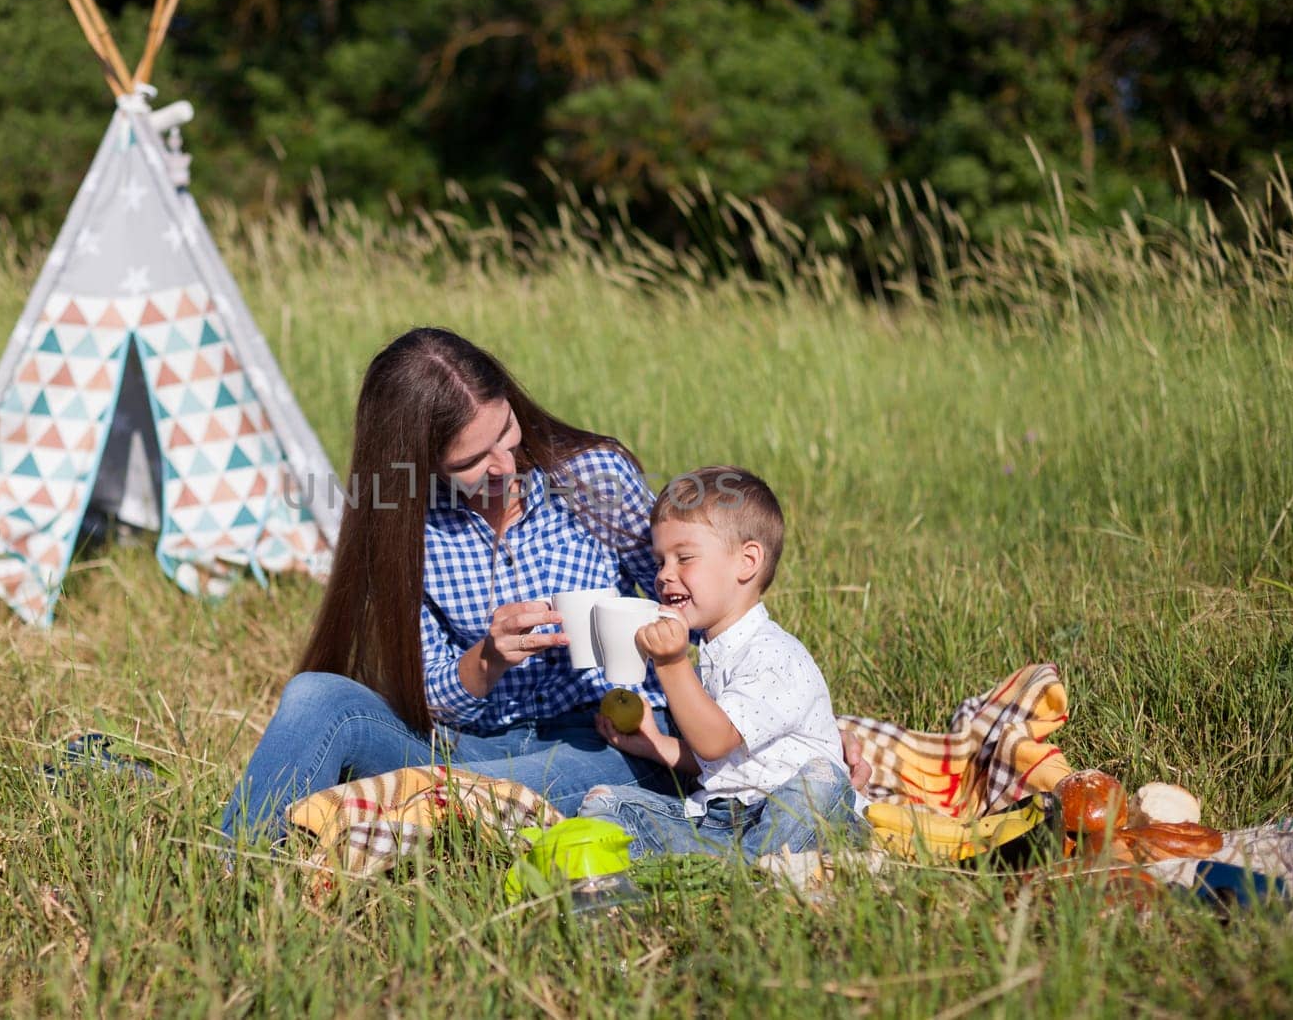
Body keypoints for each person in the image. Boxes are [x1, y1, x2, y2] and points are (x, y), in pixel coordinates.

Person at [221, 327, 684, 842]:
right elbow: (425, 692)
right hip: (467, 745)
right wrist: (488, 659)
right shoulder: (403, 522)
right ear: (422, 462)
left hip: (607, 740)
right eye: (470, 462)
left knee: (467, 789)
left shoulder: (595, 477)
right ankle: (240, 864)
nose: (505, 466)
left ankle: (379, 813)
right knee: (315, 697)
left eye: (506, 431)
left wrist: (658, 655)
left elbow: (700, 607)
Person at [579, 467, 860, 860]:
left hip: (789, 806)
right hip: (723, 818)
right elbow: (718, 762)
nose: (663, 576)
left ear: (747, 562)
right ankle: (747, 863)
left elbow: (714, 742)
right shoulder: (712, 658)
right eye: (660, 561)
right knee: (609, 806)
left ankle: (750, 863)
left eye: (684, 558)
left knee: (818, 787)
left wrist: (670, 662)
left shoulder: (775, 655)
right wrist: (653, 744)